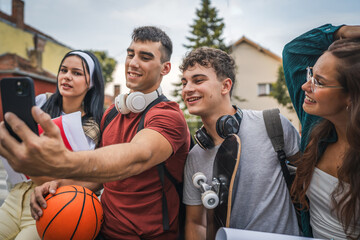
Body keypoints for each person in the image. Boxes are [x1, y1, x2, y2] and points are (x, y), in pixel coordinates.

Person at [2, 26, 190, 239]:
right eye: (130, 54)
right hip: (103, 231)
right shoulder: (112, 113)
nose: (133, 62)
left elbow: (137, 157)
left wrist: (61, 161)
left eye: (145, 57)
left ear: (165, 68)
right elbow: (100, 177)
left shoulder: (168, 115)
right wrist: (56, 185)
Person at [180, 47, 301, 240]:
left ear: (225, 86)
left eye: (198, 80)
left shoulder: (272, 124)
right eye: (184, 82)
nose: (187, 89)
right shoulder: (195, 156)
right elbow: (196, 223)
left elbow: (311, 177)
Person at [0, 50, 105, 240]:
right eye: (63, 70)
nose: (67, 77)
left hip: (50, 203)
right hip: (17, 195)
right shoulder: (41, 103)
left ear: (91, 82)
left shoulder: (96, 126)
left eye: (77, 72)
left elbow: (98, 176)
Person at [283, 24, 360, 239]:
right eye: (311, 74)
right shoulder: (314, 122)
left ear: (352, 96)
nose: (305, 86)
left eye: (319, 81)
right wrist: (340, 32)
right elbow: (294, 51)